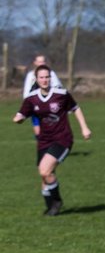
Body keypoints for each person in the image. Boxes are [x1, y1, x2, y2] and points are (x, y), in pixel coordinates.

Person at [14, 65, 91, 216]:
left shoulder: (61, 94)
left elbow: (75, 108)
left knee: (45, 170)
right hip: (44, 140)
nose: (44, 80)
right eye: (41, 77)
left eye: (47, 77)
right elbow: (22, 113)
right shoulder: (31, 98)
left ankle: (56, 201)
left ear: (51, 78)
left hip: (62, 139)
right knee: (44, 175)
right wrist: (18, 118)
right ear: (36, 79)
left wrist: (84, 128)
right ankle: (51, 208)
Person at [21, 55, 63, 138]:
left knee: (51, 126)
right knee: (38, 129)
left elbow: (58, 87)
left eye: (43, 61)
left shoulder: (51, 74)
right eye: (39, 61)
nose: (41, 63)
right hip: (35, 104)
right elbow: (27, 90)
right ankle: (43, 145)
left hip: (49, 104)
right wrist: (27, 104)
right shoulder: (30, 75)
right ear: (35, 63)